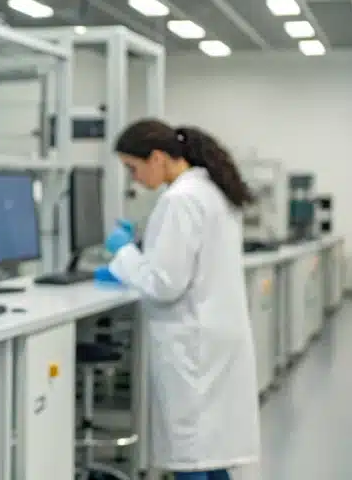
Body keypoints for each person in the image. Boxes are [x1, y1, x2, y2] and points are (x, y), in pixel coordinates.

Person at [95, 119, 261, 480]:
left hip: (192, 345)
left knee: (191, 456)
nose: (134, 179)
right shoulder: (212, 190)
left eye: (132, 168)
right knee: (211, 455)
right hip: (215, 337)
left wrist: (123, 253)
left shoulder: (180, 200)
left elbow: (164, 283)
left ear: (156, 157)